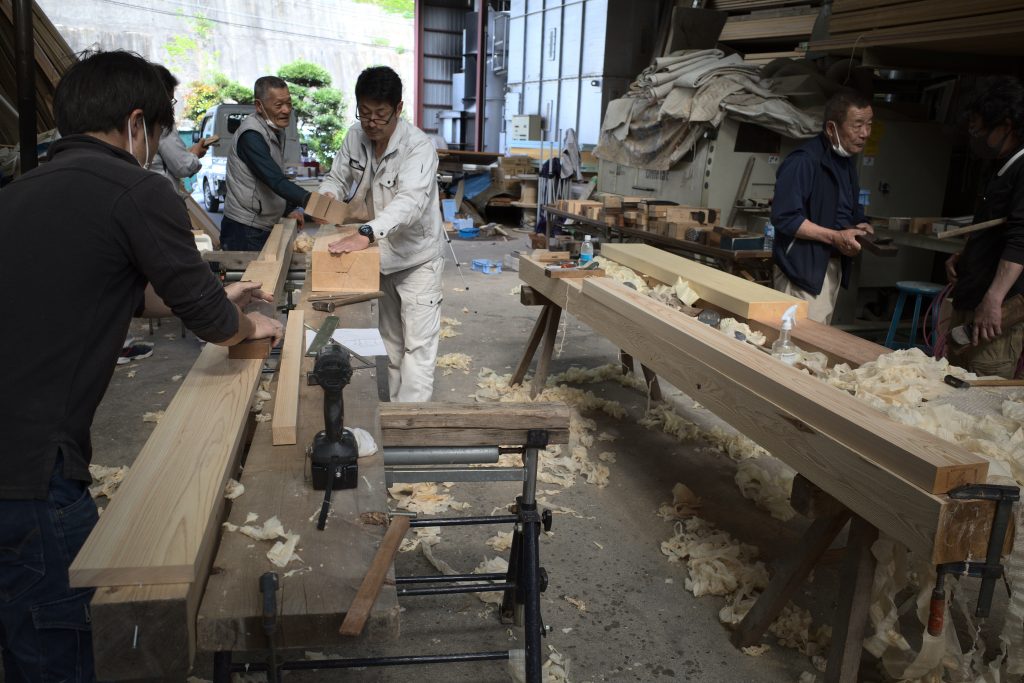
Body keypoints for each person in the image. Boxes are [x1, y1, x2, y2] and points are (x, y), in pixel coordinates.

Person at [0, 50, 283, 682]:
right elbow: (214, 327)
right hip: (27, 474)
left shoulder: (24, 191)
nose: (159, 150)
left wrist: (214, 293)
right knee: (65, 650)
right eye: (158, 135)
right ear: (135, 124)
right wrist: (245, 322)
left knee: (19, 629)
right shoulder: (136, 188)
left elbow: (123, 287)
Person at [319, 66, 444, 402]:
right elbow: (337, 176)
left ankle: (410, 429)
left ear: (398, 109)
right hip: (383, 257)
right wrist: (327, 196)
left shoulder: (418, 147)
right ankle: (390, 417)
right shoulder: (354, 137)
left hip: (417, 258)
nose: (371, 123)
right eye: (364, 113)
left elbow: (410, 203)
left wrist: (365, 232)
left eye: (381, 115)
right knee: (390, 342)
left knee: (418, 346)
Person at [770, 90, 875, 324]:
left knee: (812, 344)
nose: (865, 133)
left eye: (869, 125)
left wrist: (861, 225)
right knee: (796, 344)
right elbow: (785, 217)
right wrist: (835, 237)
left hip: (829, 266)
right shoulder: (804, 161)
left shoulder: (845, 162)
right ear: (831, 128)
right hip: (802, 270)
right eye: (857, 125)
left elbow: (847, 209)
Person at [945, 76, 1024, 378]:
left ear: (1006, 125)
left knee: (981, 392)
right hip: (972, 297)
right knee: (950, 385)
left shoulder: (1022, 168)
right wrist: (965, 255)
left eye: (981, 129)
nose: (976, 137)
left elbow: (1020, 239)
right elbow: (993, 227)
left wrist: (994, 299)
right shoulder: (1001, 167)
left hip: (997, 312)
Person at [222, 76, 309, 250]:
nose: (286, 110)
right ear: (259, 106)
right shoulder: (251, 135)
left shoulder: (275, 130)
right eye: (278, 105)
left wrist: (289, 208)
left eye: (289, 103)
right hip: (245, 228)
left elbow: (273, 176)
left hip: (262, 224)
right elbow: (274, 179)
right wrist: (312, 202)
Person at [150, 64, 209, 195]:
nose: (170, 108)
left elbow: (166, 157)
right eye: (169, 101)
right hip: (160, 196)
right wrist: (195, 154)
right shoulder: (160, 121)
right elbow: (182, 166)